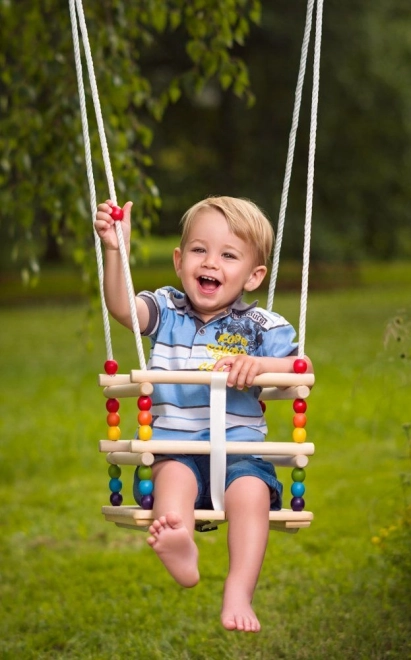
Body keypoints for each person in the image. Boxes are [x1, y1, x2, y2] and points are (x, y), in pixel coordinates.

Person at [95, 196, 312, 633]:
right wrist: (115, 250)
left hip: (241, 452)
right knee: (172, 481)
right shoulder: (166, 310)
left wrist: (262, 365)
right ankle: (179, 540)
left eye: (228, 255)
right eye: (199, 250)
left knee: (250, 496)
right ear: (179, 260)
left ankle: (238, 589)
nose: (210, 262)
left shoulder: (261, 327)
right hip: (178, 449)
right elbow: (122, 309)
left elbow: (302, 369)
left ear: (253, 275)